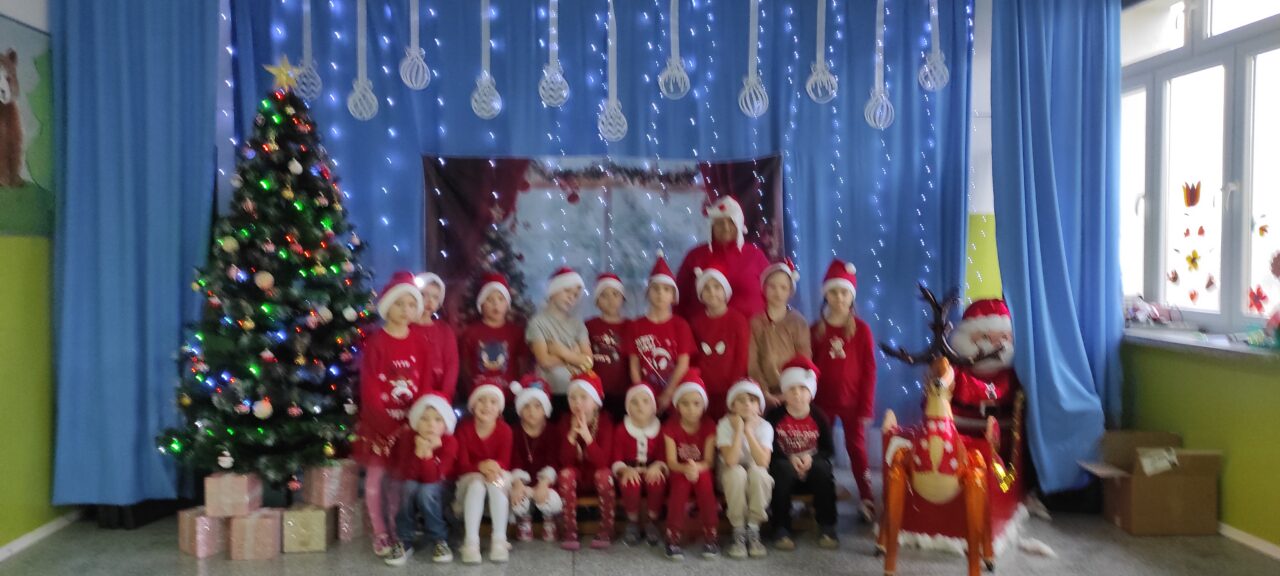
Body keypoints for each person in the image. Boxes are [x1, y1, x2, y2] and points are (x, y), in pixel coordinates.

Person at [352, 271, 435, 558]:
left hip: (408, 428)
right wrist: (384, 423)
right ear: (388, 305)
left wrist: (416, 421)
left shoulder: (420, 342)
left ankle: (397, 529)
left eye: (411, 304)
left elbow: (425, 384)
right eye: (399, 303)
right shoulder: (377, 342)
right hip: (379, 427)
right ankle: (379, 532)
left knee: (398, 484)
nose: (405, 310)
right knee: (376, 480)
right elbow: (370, 387)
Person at [810, 259, 877, 522]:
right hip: (822, 403)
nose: (839, 298)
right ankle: (819, 494)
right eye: (834, 292)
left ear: (852, 296)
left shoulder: (862, 330)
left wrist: (866, 407)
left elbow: (869, 371)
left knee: (857, 450)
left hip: (853, 403)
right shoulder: (816, 330)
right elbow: (810, 368)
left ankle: (867, 497)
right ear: (826, 294)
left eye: (844, 293)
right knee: (821, 449)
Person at [766, 356, 839, 551]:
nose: (797, 394)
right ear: (784, 392)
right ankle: (781, 527)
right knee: (780, 469)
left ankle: (827, 526)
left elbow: (828, 450)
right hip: (785, 469)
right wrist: (789, 458)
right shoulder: (775, 416)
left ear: (811, 392)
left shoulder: (819, 417)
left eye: (802, 389)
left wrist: (811, 458)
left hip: (811, 471)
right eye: (792, 389)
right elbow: (769, 448)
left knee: (824, 469)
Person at [386, 393, 458, 566]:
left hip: (442, 486)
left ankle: (440, 539)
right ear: (416, 422)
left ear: (446, 424)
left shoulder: (450, 442)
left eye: (438, 420)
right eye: (424, 419)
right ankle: (404, 540)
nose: (431, 425)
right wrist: (419, 452)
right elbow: (407, 474)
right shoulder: (408, 438)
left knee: (426, 491)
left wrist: (427, 454)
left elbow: (433, 478)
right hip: (413, 481)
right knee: (407, 487)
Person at [675, 196, 770, 319]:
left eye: (731, 222)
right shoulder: (695, 256)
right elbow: (679, 299)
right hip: (704, 329)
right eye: (720, 223)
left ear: (739, 224)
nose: (725, 228)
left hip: (752, 328)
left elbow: (773, 292)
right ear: (711, 226)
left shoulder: (755, 255)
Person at [453, 377, 514, 564]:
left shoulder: (505, 430)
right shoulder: (464, 430)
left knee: (496, 483)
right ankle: (471, 542)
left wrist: (492, 468)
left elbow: (504, 462)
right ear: (473, 405)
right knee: (477, 485)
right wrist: (480, 467)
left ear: (499, 409)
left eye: (493, 402)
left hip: (497, 475)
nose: (487, 406)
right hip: (470, 479)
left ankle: (499, 539)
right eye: (481, 400)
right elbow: (461, 465)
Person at [662, 370, 720, 561]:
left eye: (696, 403)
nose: (691, 409)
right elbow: (672, 462)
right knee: (680, 485)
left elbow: (709, 461)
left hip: (701, 469)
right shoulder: (670, 427)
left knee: (704, 482)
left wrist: (695, 468)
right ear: (677, 405)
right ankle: (672, 534)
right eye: (685, 403)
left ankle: (711, 533)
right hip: (680, 470)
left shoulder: (709, 425)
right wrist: (686, 469)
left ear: (704, 405)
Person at [556, 372, 617, 550]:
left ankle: (606, 529)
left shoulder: (605, 422)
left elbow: (602, 462)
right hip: (576, 477)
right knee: (565, 474)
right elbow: (564, 461)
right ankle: (570, 530)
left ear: (596, 402)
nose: (577, 402)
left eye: (583, 397)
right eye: (573, 398)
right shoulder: (565, 421)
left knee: (605, 474)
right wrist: (572, 434)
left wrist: (587, 436)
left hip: (596, 475)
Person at [625, 255, 694, 410]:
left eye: (666, 289)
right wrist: (642, 395)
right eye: (655, 288)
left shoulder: (681, 325)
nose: (660, 294)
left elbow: (683, 364)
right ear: (648, 292)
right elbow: (634, 365)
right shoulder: (635, 325)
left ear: (673, 296)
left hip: (675, 396)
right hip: (644, 401)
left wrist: (668, 394)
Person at [716, 379, 773, 559]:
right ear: (732, 406)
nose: (747, 404)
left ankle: (754, 528)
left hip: (754, 473)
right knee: (737, 473)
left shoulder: (765, 426)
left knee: (759, 473)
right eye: (741, 400)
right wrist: (739, 430)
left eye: (752, 400)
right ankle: (739, 529)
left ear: (759, 407)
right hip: (730, 474)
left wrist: (748, 430)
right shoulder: (725, 424)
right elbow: (731, 461)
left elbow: (763, 461)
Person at [527, 267, 594, 414]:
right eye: (567, 291)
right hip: (549, 392)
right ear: (553, 291)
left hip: (576, 394)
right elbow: (544, 361)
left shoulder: (577, 324)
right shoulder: (537, 323)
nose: (571, 297)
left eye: (575, 295)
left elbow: (588, 361)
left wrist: (561, 351)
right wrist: (575, 356)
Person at [459, 272, 529, 414]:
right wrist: (470, 389)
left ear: (507, 303)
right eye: (490, 300)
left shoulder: (516, 332)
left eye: (500, 299)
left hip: (510, 398)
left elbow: (523, 364)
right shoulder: (471, 332)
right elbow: (465, 366)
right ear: (481, 304)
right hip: (481, 400)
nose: (496, 304)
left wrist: (520, 388)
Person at [689, 263, 750, 421]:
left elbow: (742, 356)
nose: (712, 292)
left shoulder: (738, 320)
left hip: (731, 388)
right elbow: (693, 357)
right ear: (701, 294)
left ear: (725, 291)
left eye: (717, 287)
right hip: (705, 389)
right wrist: (698, 383)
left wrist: (734, 386)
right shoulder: (696, 322)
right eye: (707, 288)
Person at [748, 258, 811, 407]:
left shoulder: (798, 322)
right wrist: (763, 391)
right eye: (772, 287)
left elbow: (804, 359)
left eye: (783, 287)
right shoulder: (756, 322)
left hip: (794, 392)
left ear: (790, 291)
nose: (778, 292)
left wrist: (792, 390)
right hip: (765, 393)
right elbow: (753, 363)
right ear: (764, 288)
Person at [610, 383, 667, 547]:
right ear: (628, 408)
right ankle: (632, 522)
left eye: (645, 401)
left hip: (651, 469)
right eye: (634, 402)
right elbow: (616, 457)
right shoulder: (621, 430)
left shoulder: (660, 429)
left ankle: (652, 521)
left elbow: (663, 456)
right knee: (630, 482)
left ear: (653, 407)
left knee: (657, 481)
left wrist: (658, 466)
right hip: (630, 469)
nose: (640, 406)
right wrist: (625, 469)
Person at [508, 375, 562, 543]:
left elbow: (554, 461)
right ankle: (525, 518)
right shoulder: (514, 432)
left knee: (552, 500)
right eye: (526, 406)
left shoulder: (552, 431)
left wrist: (544, 483)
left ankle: (549, 518)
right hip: (523, 484)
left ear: (545, 409)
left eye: (537, 406)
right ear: (519, 409)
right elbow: (514, 460)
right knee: (517, 500)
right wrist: (518, 484)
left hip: (545, 483)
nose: (532, 411)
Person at [587, 272, 631, 421]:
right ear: (596, 302)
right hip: (596, 391)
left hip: (623, 392)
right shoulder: (589, 325)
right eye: (604, 296)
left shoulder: (631, 326)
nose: (611, 300)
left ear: (622, 298)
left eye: (615, 294)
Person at [413, 272, 459, 402]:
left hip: (437, 399)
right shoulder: (406, 328)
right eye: (424, 294)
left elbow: (451, 365)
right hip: (410, 396)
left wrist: (445, 396)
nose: (429, 301)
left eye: (435, 297)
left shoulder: (444, 330)